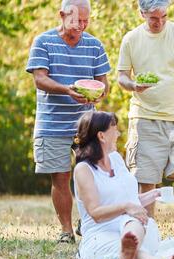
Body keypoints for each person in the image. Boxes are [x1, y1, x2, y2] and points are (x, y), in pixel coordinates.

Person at [26, 0, 110, 243]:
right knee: (60, 177)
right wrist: (67, 90)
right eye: (76, 21)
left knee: (95, 175)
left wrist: (101, 91)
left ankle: (89, 220)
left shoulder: (94, 45)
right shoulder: (43, 42)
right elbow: (40, 79)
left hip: (87, 124)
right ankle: (66, 230)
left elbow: (103, 81)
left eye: (86, 21)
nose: (82, 26)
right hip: (52, 123)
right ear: (62, 15)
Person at [117, 0, 174, 237]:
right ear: (142, 13)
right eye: (154, 18)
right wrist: (133, 85)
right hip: (145, 117)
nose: (160, 22)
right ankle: (148, 226)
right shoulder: (131, 39)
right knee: (147, 177)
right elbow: (121, 76)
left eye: (164, 16)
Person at [74, 111, 174, 259]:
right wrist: (127, 207)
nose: (118, 134)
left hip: (131, 228)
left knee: (133, 221)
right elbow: (96, 213)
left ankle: (130, 247)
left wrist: (153, 195)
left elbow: (129, 201)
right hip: (101, 233)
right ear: (102, 136)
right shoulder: (83, 169)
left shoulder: (115, 159)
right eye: (114, 129)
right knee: (126, 238)